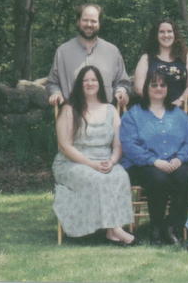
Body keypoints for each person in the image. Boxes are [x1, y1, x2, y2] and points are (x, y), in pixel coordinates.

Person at [52, 65, 135, 245]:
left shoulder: (111, 110)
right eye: (85, 80)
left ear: (100, 83)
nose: (90, 83)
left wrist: (112, 161)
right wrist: (92, 164)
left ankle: (112, 231)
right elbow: (65, 146)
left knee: (120, 175)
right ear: (79, 84)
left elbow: (118, 144)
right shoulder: (69, 109)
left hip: (105, 160)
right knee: (98, 179)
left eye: (93, 80)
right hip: (73, 162)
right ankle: (115, 229)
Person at [120, 71, 188, 245]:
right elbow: (129, 145)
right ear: (146, 88)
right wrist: (154, 161)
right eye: (154, 85)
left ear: (168, 89)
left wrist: (180, 158)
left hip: (175, 162)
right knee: (158, 179)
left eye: (163, 85)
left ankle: (172, 226)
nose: (159, 88)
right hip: (144, 164)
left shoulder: (179, 115)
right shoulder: (133, 115)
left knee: (186, 177)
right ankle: (156, 228)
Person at [47, 4, 130, 109]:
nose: (89, 24)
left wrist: (121, 91)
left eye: (93, 21)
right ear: (78, 21)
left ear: (99, 23)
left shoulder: (112, 51)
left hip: (105, 115)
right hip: (71, 114)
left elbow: (122, 82)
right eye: (85, 20)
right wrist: (56, 93)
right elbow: (52, 83)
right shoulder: (63, 52)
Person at [133, 19, 188, 108]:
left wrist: (180, 101)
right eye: (161, 32)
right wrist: (157, 103)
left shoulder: (186, 57)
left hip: (180, 108)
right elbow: (139, 88)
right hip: (152, 108)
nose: (166, 35)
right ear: (156, 35)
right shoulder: (146, 58)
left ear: (175, 34)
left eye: (169, 31)